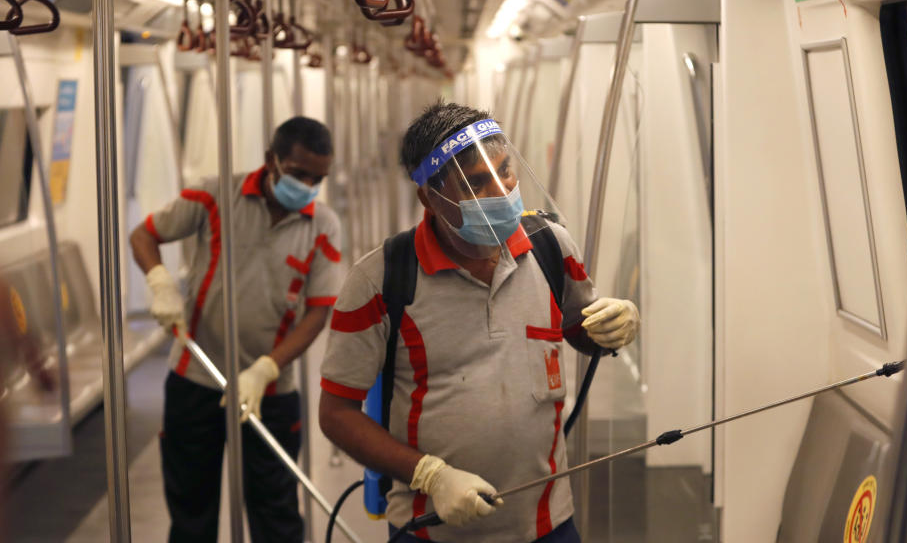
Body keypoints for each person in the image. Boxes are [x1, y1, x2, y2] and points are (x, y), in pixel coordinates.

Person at [318, 101, 639, 543]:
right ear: (429, 197)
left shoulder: (550, 246)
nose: (502, 192)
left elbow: (579, 331)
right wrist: (431, 476)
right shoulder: (381, 280)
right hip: (432, 529)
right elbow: (336, 415)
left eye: (505, 171)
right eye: (475, 183)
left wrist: (611, 327)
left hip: (547, 524)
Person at [130, 116, 342, 543]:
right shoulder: (213, 195)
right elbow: (144, 235)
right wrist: (159, 282)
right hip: (196, 376)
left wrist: (267, 367)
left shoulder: (323, 225)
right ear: (272, 160)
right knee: (192, 511)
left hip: (271, 391)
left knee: (277, 512)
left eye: (317, 179)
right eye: (299, 173)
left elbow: (318, 312)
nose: (307, 186)